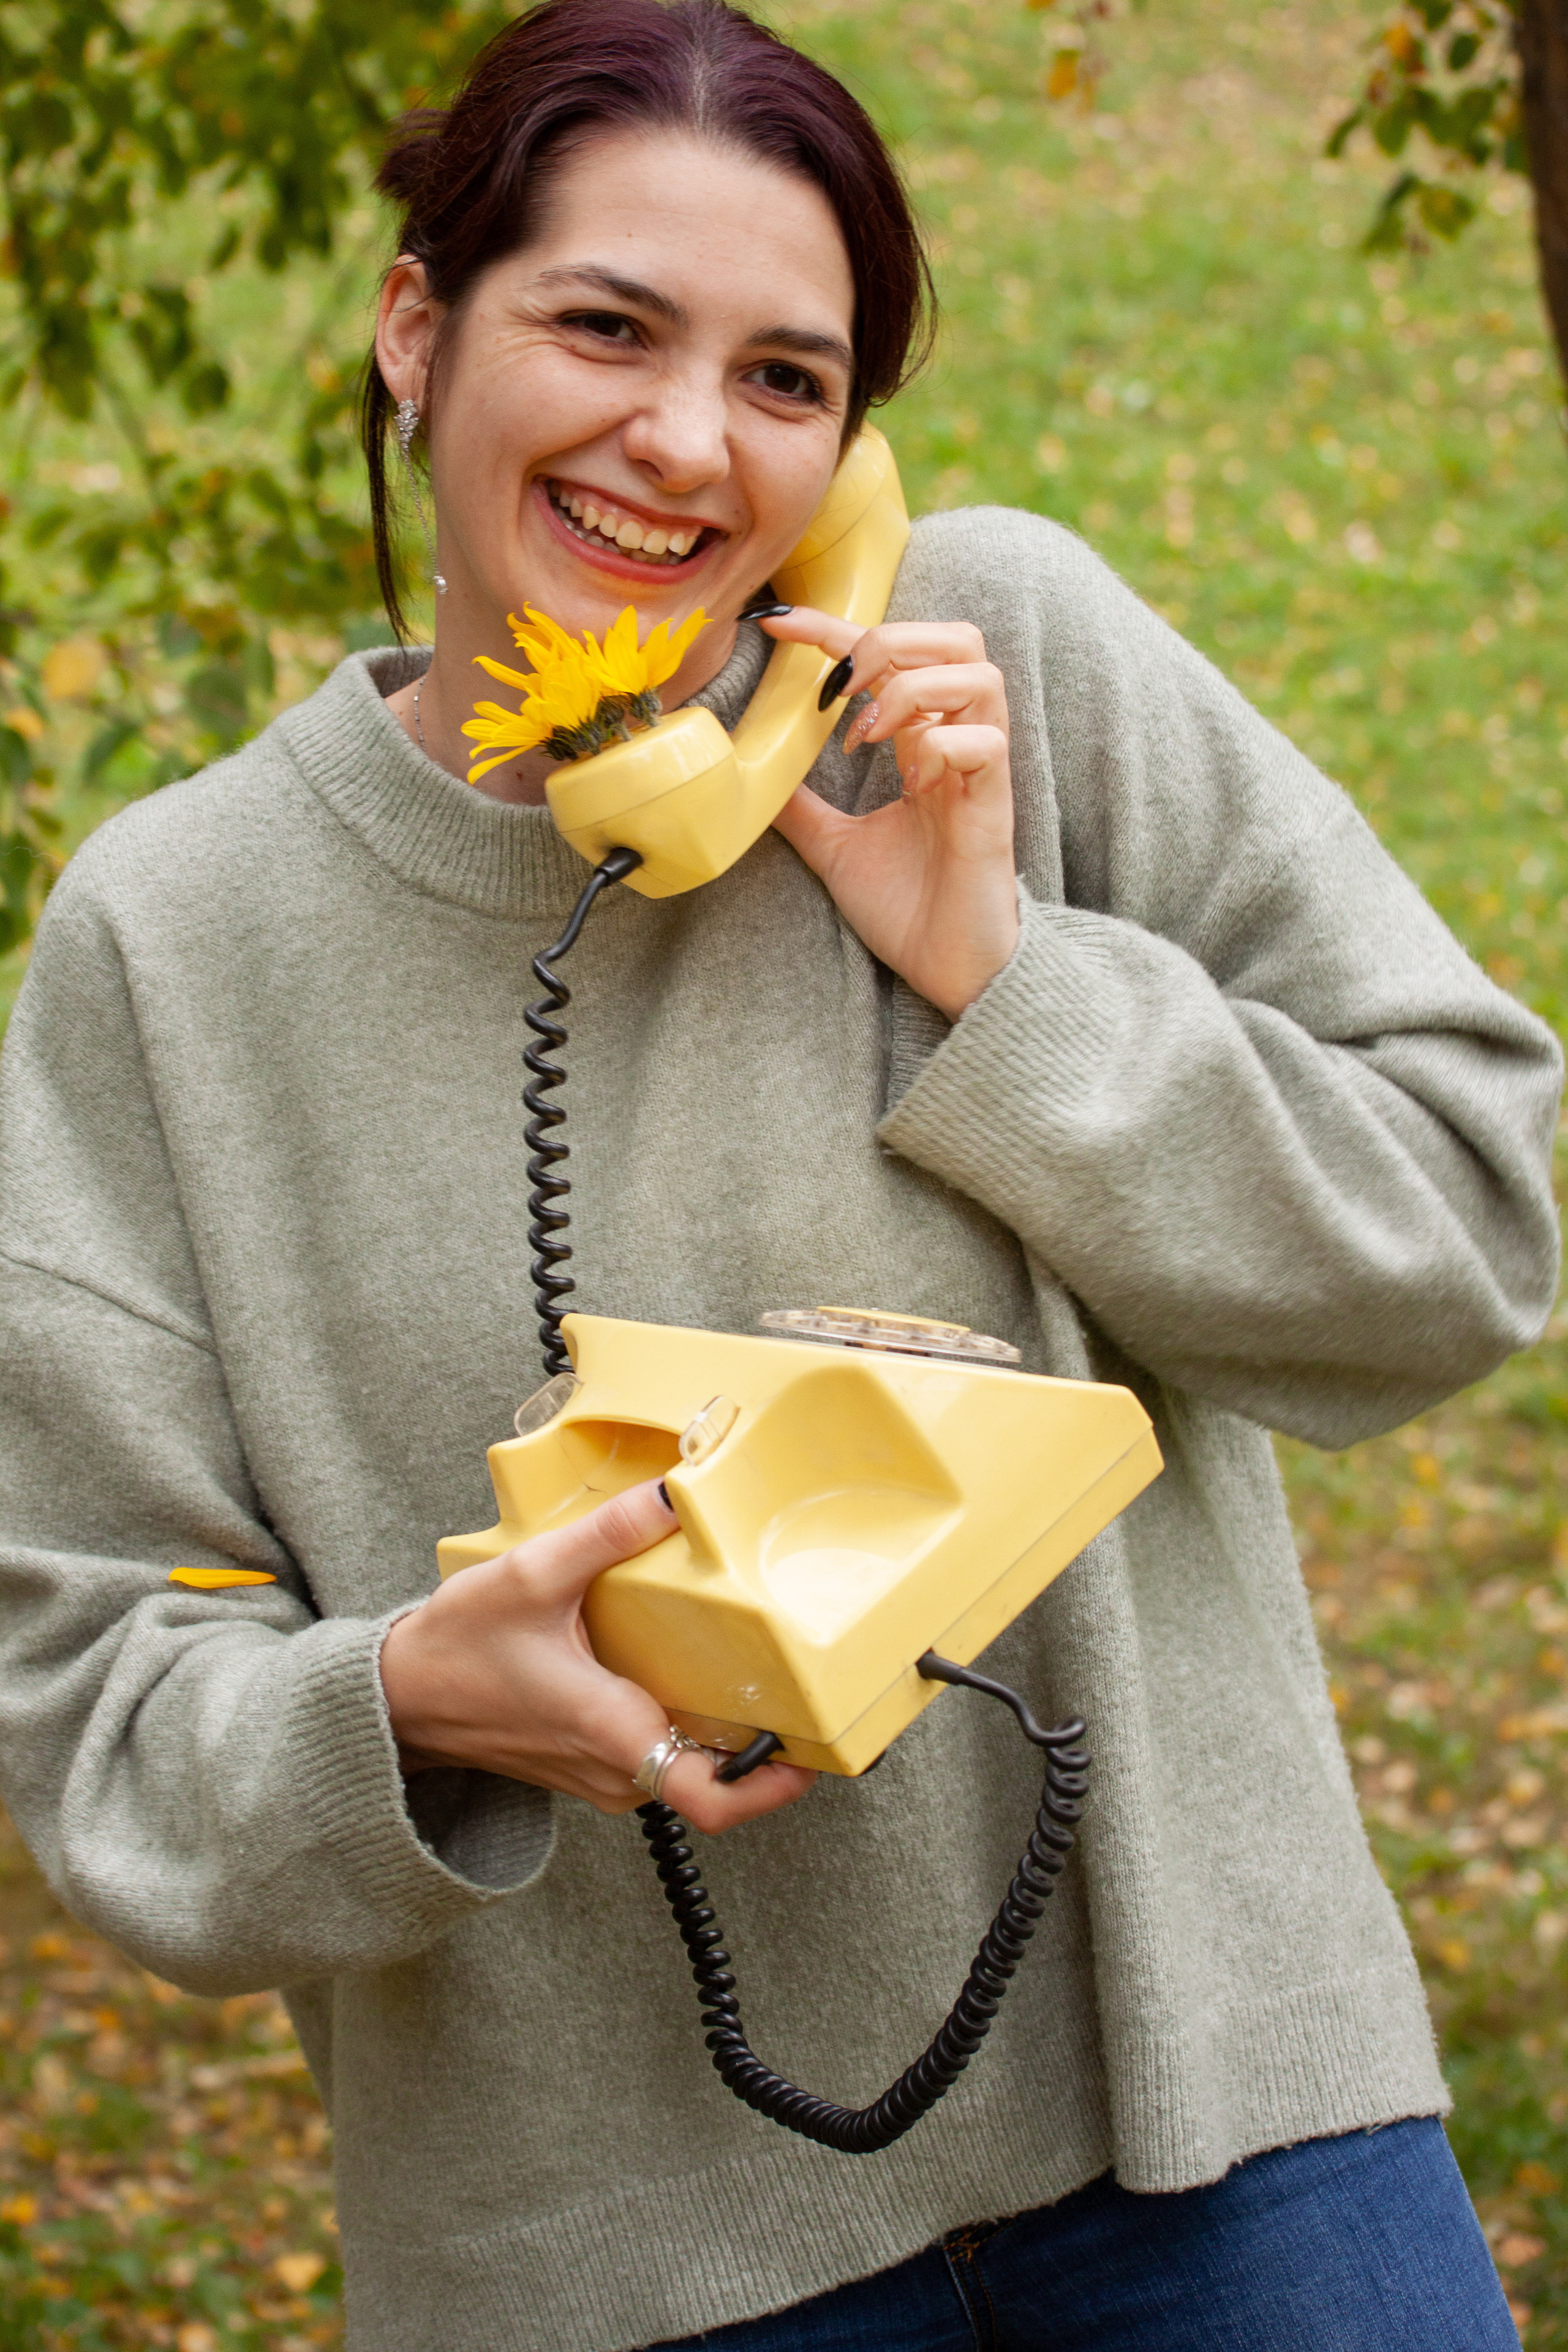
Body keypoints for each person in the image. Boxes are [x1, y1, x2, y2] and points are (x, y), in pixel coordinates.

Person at [0, 1, 1559, 2346]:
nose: (682, 441)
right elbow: (102, 1709)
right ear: (418, 333)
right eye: (605, 327)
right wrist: (412, 1703)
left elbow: (1469, 1227)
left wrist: (1010, 978)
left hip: (1229, 2161)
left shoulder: (990, 677)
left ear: (851, 450)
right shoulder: (169, 936)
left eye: (785, 380)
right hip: (607, 2272)